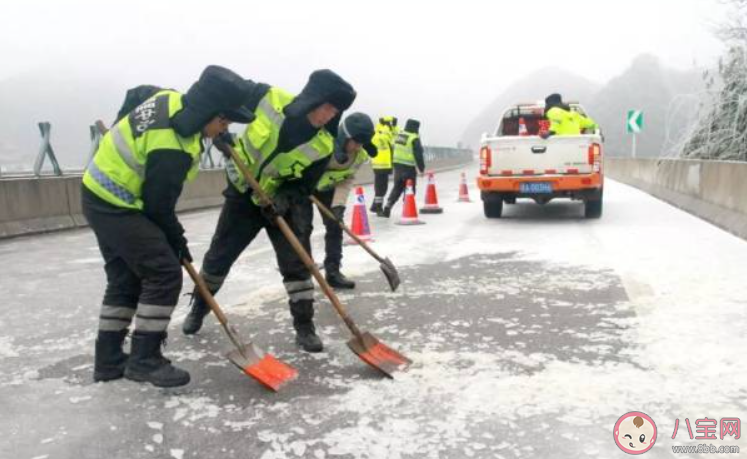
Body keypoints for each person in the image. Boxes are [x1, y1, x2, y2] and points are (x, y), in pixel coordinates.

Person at [84, 65, 254, 387]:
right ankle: (145, 360)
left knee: (124, 277)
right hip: (118, 203)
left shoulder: (171, 100)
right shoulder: (172, 145)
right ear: (208, 111)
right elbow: (158, 208)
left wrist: (173, 238)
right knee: (163, 272)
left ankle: (108, 361)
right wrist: (176, 242)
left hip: (99, 192)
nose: (223, 129)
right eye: (223, 121)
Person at [182, 70, 356, 354]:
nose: (328, 115)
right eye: (327, 107)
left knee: (298, 265)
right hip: (242, 196)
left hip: (282, 206)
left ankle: (304, 326)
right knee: (218, 258)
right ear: (315, 98)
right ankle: (199, 308)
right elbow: (222, 88)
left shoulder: (323, 145)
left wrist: (283, 199)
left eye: (334, 111)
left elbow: (304, 187)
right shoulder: (268, 98)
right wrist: (218, 127)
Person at [313, 113, 376, 289]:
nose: (357, 147)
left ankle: (333, 272)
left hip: (328, 188)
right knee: (301, 227)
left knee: (335, 226)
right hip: (303, 186)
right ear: (344, 136)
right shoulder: (323, 145)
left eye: (361, 143)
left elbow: (346, 180)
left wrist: (338, 206)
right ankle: (301, 272)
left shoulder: (358, 156)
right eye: (355, 141)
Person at [377, 119, 425, 218]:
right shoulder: (414, 138)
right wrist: (421, 169)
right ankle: (407, 208)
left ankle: (388, 206)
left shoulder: (400, 135)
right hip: (408, 167)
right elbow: (418, 154)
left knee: (397, 187)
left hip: (397, 166)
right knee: (410, 188)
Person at [369, 116, 394, 214]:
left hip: (384, 164)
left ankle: (375, 206)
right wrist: (387, 127)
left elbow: (393, 138)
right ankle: (378, 207)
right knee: (381, 187)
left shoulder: (383, 132)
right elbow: (383, 138)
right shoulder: (378, 133)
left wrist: (391, 126)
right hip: (380, 165)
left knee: (381, 187)